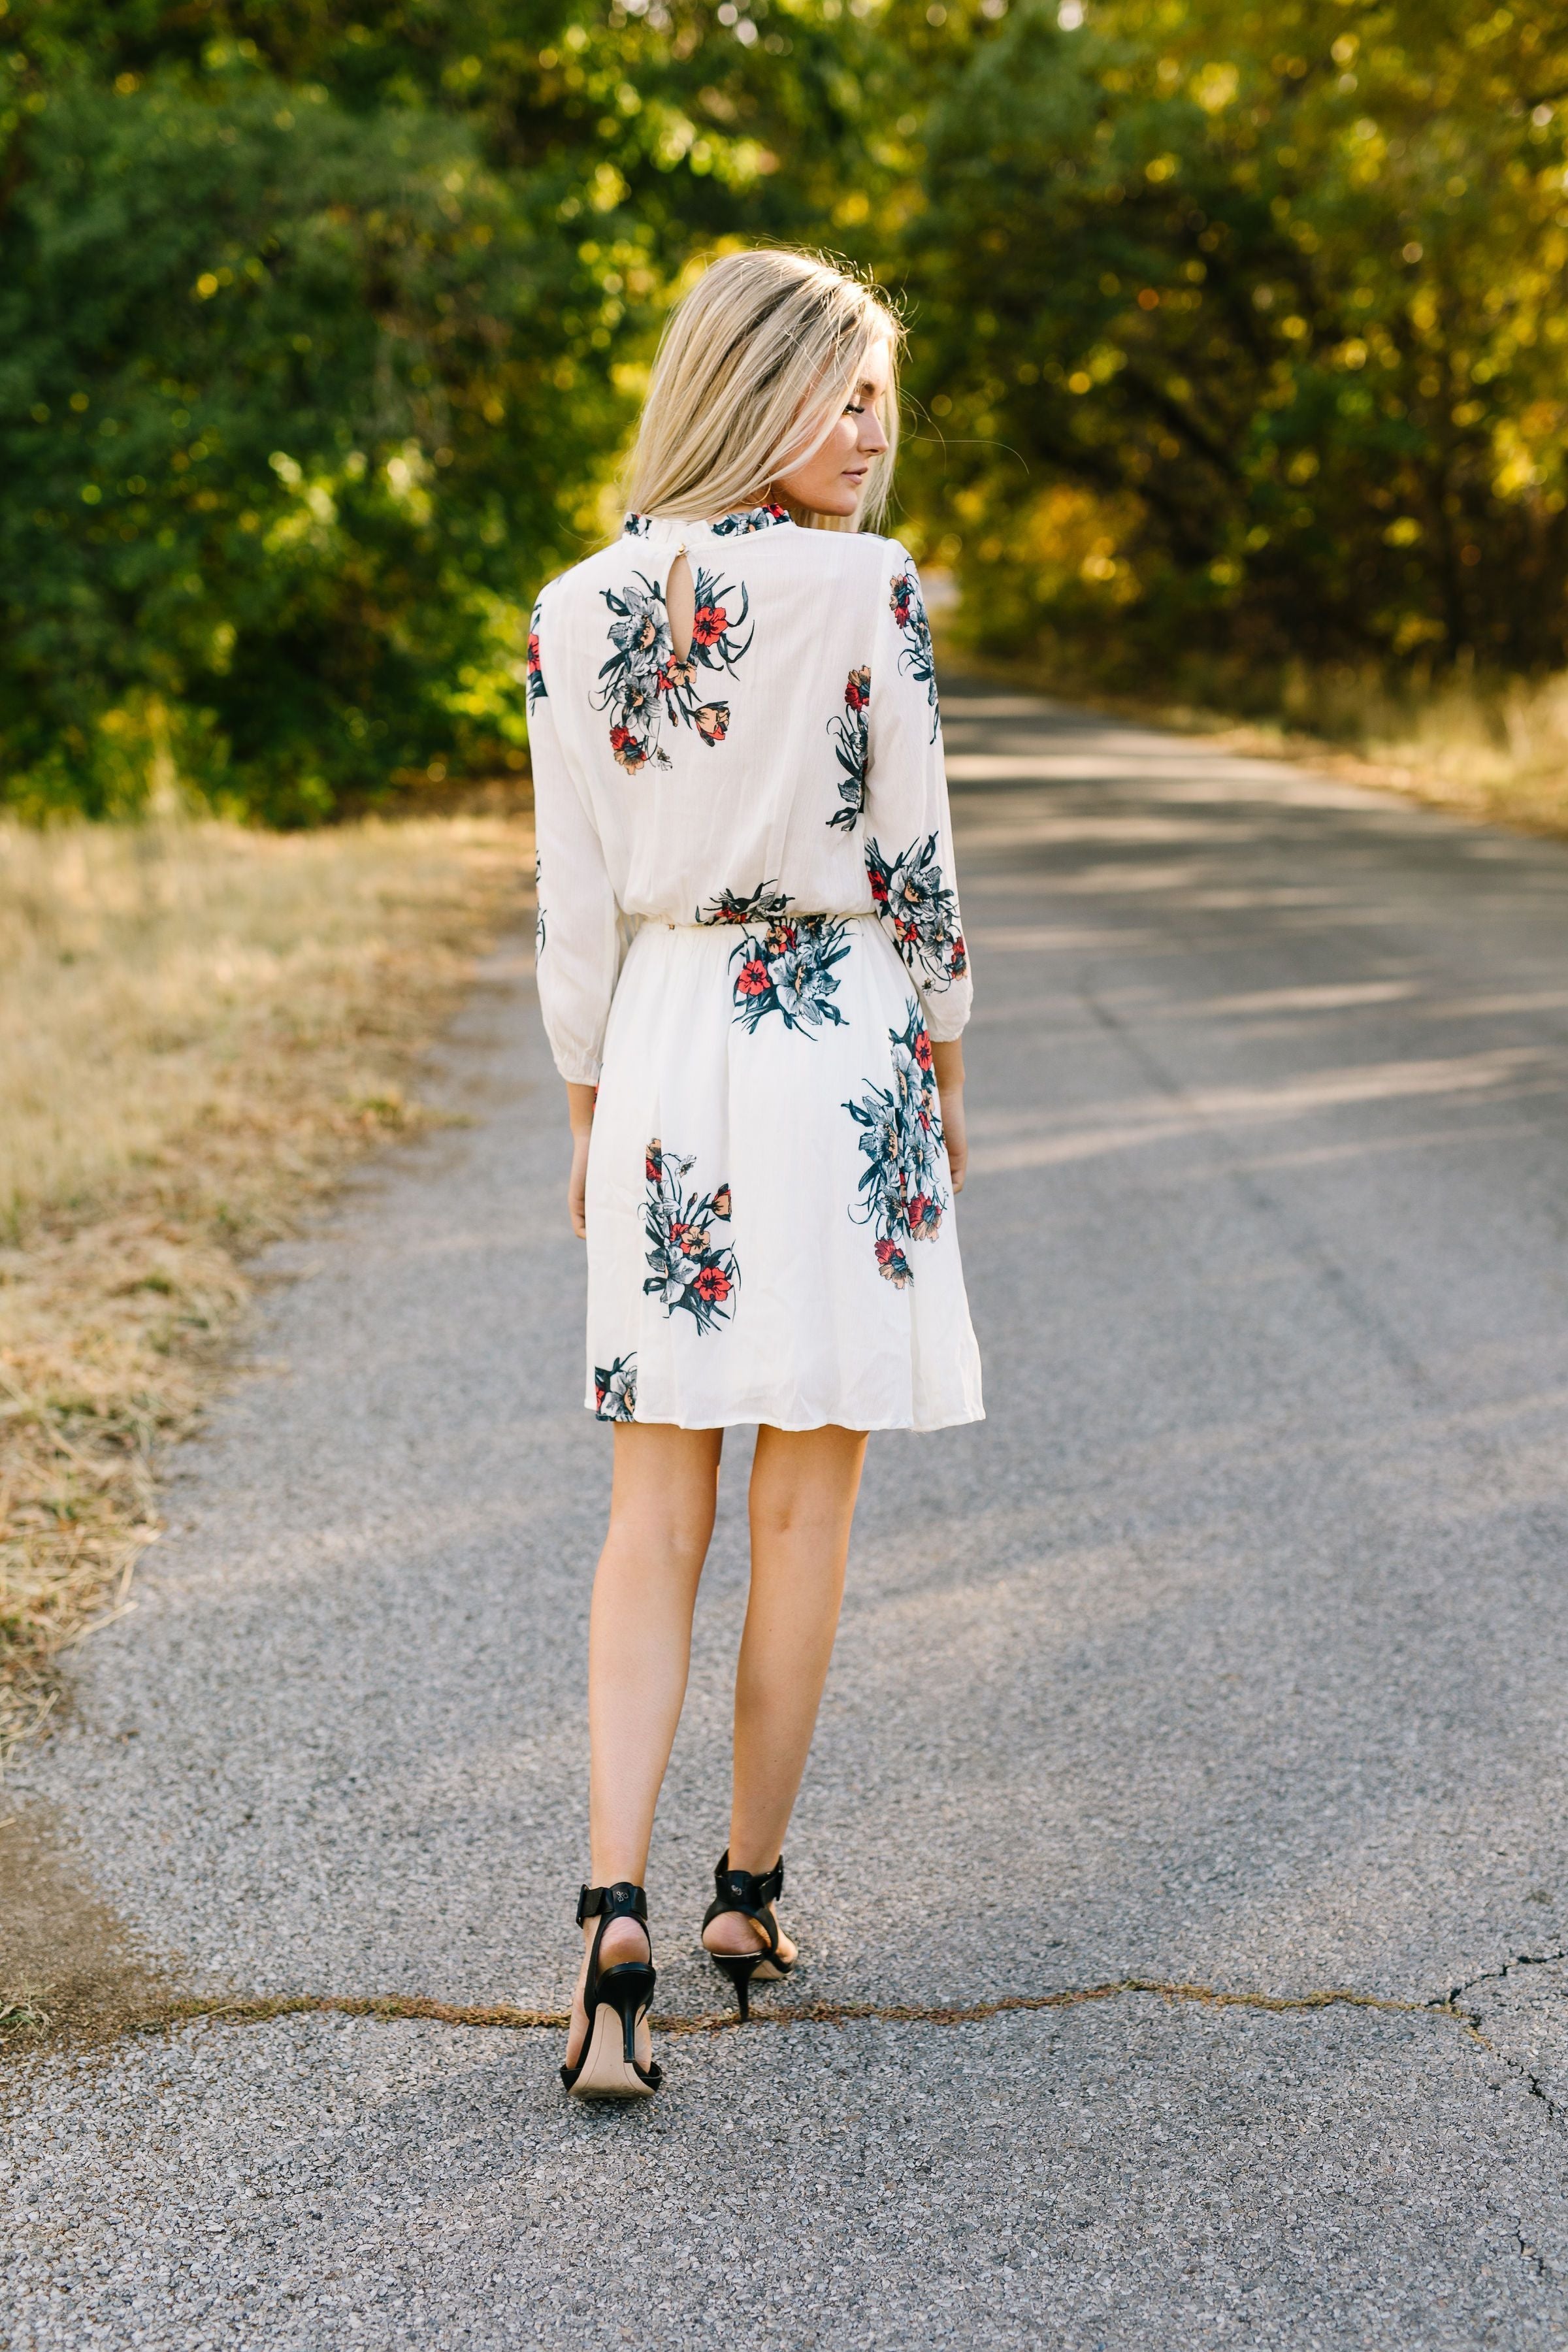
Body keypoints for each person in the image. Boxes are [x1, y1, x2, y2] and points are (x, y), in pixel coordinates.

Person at [525, 247, 983, 2099]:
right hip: (844, 1035)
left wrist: (583, 1108)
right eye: (840, 389)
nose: (870, 431)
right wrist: (942, 1059)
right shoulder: (872, 591)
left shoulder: (576, 604)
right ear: (750, 386)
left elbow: (573, 905)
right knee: (804, 1508)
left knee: (654, 1513)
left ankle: (609, 1914)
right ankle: (742, 1892)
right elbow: (920, 861)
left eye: (882, 396)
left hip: (665, 1050)